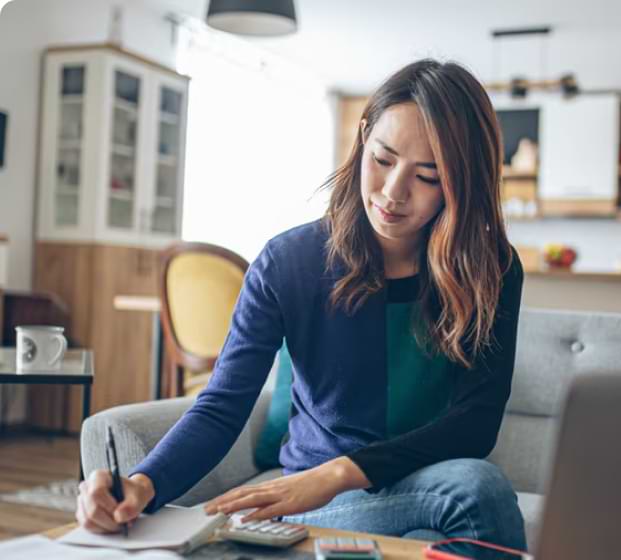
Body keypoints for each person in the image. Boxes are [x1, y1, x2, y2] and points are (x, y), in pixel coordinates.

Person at [76, 59, 527, 550]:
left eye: (428, 176)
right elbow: (223, 406)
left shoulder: (491, 268)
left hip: (418, 483)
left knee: (455, 503)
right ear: (362, 137)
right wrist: (141, 486)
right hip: (322, 500)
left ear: (462, 182)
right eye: (382, 159)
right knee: (474, 495)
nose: (394, 193)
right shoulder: (289, 262)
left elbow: (476, 424)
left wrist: (336, 472)